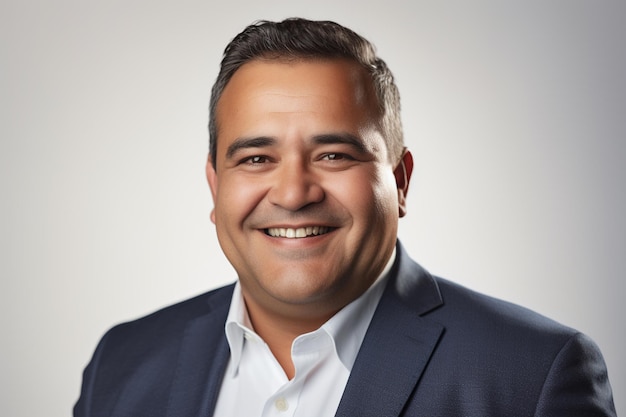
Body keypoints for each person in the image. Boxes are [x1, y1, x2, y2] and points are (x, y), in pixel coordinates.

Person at [74, 18, 616, 417]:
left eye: (334, 154)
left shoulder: (533, 377)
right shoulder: (123, 364)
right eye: (256, 158)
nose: (293, 192)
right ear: (216, 186)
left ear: (400, 182)